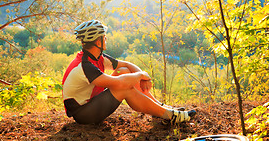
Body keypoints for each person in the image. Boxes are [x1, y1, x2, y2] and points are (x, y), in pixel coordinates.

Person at [62, 19, 195, 125]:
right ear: (98, 41)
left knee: (123, 71)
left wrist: (144, 78)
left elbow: (126, 65)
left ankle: (162, 108)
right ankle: (169, 115)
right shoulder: (85, 66)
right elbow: (118, 83)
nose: (106, 39)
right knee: (124, 88)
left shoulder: (96, 57)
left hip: (91, 104)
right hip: (83, 114)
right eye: (104, 37)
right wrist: (141, 75)